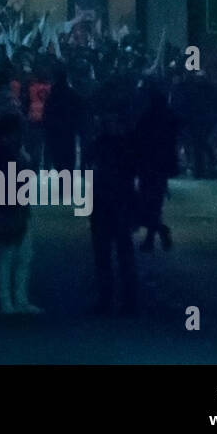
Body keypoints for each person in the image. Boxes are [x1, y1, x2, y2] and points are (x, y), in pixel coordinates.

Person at [87, 97, 139, 315]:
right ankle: (120, 299)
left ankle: (116, 298)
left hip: (112, 203)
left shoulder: (109, 145)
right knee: (115, 253)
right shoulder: (122, 145)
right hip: (111, 202)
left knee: (112, 253)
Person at [0, 112, 40, 315]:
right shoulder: (6, 153)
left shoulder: (8, 151)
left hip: (14, 206)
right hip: (11, 207)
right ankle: (13, 300)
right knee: (13, 255)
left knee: (15, 255)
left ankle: (13, 300)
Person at [135, 81, 180, 252]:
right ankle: (157, 233)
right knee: (154, 203)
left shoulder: (147, 118)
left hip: (149, 165)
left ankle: (154, 236)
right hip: (160, 166)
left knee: (148, 202)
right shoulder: (169, 118)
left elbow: (138, 141)